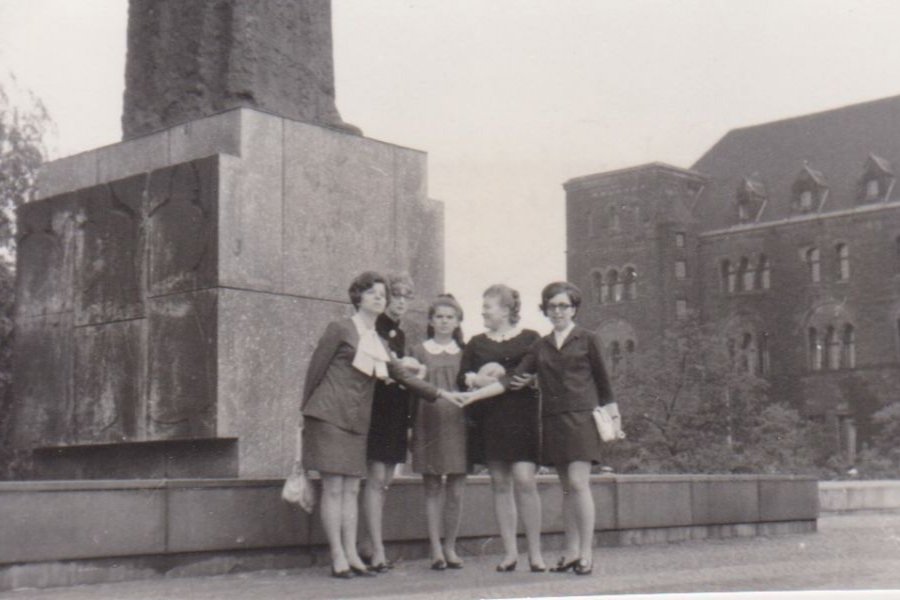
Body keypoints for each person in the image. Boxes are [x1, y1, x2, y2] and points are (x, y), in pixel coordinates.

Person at [300, 271, 461, 579]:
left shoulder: (376, 338)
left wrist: (440, 393)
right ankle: (338, 556)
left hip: (358, 419)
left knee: (349, 488)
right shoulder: (340, 328)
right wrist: (304, 414)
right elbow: (315, 370)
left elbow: (400, 374)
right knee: (334, 488)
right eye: (373, 293)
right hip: (330, 415)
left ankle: (352, 555)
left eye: (382, 295)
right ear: (357, 296)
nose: (380, 298)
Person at [460, 281, 617, 576]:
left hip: (582, 418)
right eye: (552, 306)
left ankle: (586, 553)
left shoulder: (588, 338)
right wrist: (473, 394)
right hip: (553, 420)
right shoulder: (540, 345)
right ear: (545, 309)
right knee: (567, 489)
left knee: (579, 484)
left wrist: (614, 418)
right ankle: (571, 552)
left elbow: (605, 384)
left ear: (574, 308)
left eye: (564, 306)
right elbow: (511, 380)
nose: (558, 311)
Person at [456, 284, 547, 572]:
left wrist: (515, 379)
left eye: (488, 307)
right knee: (499, 483)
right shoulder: (476, 342)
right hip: (491, 418)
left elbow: (532, 373)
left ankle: (535, 553)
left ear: (506, 310)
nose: (483, 312)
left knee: (524, 479)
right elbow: (462, 376)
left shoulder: (531, 338)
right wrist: (479, 378)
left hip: (522, 416)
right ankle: (510, 553)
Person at [409, 294, 468, 570]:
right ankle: (435, 550)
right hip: (427, 422)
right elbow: (410, 389)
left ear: (457, 322)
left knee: (456, 489)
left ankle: (450, 546)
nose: (444, 322)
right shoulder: (419, 351)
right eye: (439, 317)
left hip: (458, 424)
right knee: (432, 486)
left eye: (450, 317)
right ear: (431, 321)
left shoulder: (465, 353)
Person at [362, 273, 416, 572]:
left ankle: (370, 543)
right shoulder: (374, 328)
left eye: (407, 298)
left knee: (385, 480)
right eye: (396, 297)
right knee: (376, 477)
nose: (401, 304)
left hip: (395, 410)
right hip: (377, 409)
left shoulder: (399, 333)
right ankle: (376, 548)